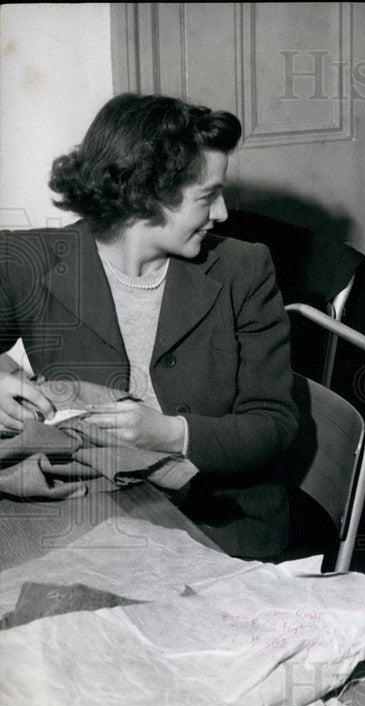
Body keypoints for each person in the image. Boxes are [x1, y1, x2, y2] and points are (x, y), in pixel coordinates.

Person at [0, 93, 297, 558]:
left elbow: (275, 427)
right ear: (146, 195)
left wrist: (170, 433)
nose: (221, 214)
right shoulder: (29, 262)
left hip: (216, 520)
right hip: (88, 507)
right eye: (208, 196)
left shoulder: (244, 269)